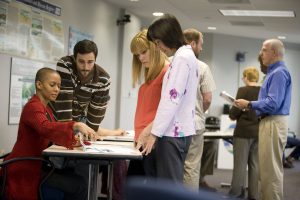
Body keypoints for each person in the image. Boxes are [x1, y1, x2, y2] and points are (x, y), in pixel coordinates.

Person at [0, 67, 95, 200]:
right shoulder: (33, 107)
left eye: (59, 86)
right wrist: (75, 124)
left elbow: (51, 134)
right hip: (27, 168)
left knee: (78, 179)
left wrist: (75, 141)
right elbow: (44, 127)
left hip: (38, 164)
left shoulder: (46, 109)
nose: (57, 89)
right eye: (52, 85)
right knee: (79, 185)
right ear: (39, 85)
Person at [50, 39, 125, 200]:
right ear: (74, 57)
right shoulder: (65, 64)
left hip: (79, 120)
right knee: (62, 164)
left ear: (95, 60)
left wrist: (89, 135)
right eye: (81, 62)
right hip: (56, 120)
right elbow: (64, 103)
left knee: (84, 167)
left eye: (90, 62)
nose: (85, 67)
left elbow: (95, 114)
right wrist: (69, 133)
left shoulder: (103, 79)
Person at [137, 14, 199, 183]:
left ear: (168, 37)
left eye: (157, 42)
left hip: (172, 133)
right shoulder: (185, 56)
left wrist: (154, 133)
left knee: (168, 188)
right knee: (170, 185)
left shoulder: (181, 59)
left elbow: (171, 100)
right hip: (178, 131)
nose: (157, 48)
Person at [235, 39, 292, 200]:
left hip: (273, 122)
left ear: (274, 52)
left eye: (264, 49)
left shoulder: (278, 73)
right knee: (267, 173)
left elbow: (273, 103)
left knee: (270, 174)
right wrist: (250, 106)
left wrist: (250, 104)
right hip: (269, 122)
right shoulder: (273, 72)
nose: (261, 53)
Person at [127, 30, 169, 176]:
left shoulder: (167, 72)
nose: (141, 58)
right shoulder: (151, 74)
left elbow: (168, 110)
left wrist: (146, 132)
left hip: (152, 142)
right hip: (142, 142)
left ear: (155, 47)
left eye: (144, 52)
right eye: (137, 55)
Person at [182, 28, 216, 189]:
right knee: (191, 167)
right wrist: (199, 110)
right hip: (194, 124)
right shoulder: (202, 67)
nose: (201, 48)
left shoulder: (169, 62)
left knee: (173, 166)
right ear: (192, 43)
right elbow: (208, 98)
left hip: (170, 126)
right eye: (201, 44)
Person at [228, 67, 260, 199]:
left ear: (246, 77)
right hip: (258, 132)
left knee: (240, 165)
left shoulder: (243, 90)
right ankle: (253, 195)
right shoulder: (262, 91)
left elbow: (234, 113)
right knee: (254, 165)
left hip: (243, 132)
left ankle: (235, 194)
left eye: (243, 77)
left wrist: (233, 112)